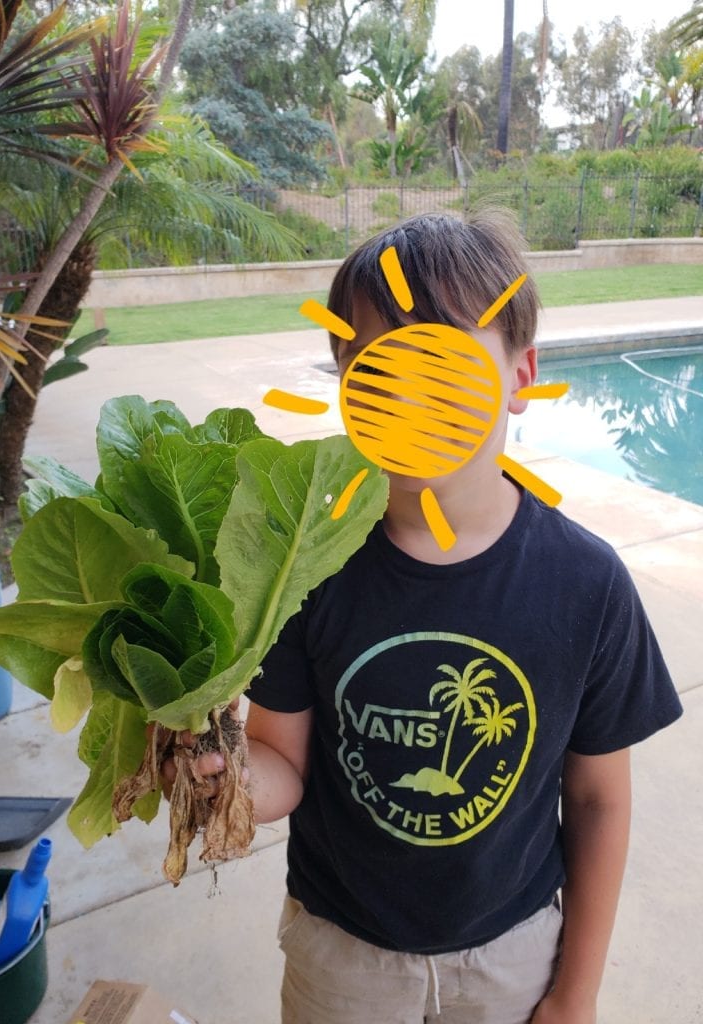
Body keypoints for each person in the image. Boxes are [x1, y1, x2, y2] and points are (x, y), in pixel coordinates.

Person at [171, 211, 683, 1024]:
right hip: (341, 954)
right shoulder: (305, 574)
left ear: (521, 376)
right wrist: (218, 770)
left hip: (515, 953)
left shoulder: (588, 584)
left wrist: (576, 994)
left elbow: (597, 801)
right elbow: (282, 766)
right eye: (378, 371)